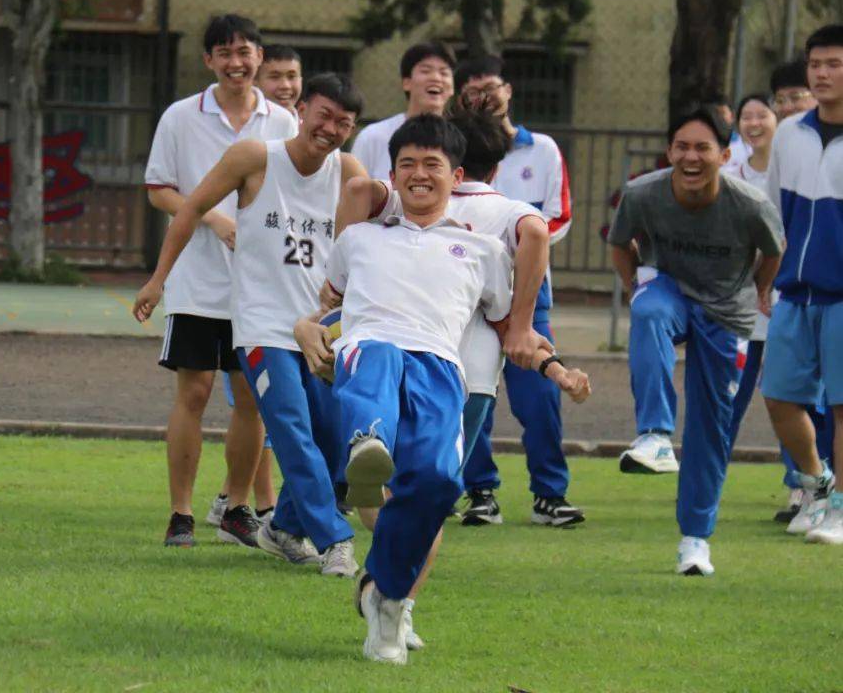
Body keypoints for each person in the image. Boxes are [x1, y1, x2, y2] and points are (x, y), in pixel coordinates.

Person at [301, 114, 585, 663]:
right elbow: (325, 307)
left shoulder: (482, 251)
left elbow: (512, 329)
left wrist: (557, 370)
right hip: (372, 348)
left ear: (456, 177)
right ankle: (367, 444)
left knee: (436, 481)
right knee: (374, 361)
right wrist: (304, 327)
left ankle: (384, 601)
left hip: (440, 365)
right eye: (407, 163)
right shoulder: (360, 238)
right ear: (394, 173)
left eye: (432, 164)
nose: (419, 174)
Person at [135, 73, 368, 575]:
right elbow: (190, 209)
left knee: (331, 436)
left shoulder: (348, 173)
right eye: (323, 116)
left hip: (320, 329)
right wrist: (158, 281)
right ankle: (335, 540)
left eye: (343, 124)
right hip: (262, 326)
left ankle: (284, 526)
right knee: (290, 426)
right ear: (301, 110)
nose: (329, 129)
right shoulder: (254, 158)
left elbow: (362, 245)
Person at [144, 14, 298, 548]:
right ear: (209, 60)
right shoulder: (182, 117)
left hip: (259, 284)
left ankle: (235, 505)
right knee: (196, 389)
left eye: (246, 52)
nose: (237, 62)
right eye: (225, 53)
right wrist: (210, 216)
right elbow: (159, 189)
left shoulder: (283, 122)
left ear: (260, 57)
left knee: (253, 394)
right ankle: (181, 513)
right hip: (196, 276)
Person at [609, 106, 784, 575]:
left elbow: (774, 250)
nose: (691, 157)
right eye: (682, 146)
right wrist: (634, 286)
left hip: (726, 312)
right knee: (648, 309)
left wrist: (761, 289)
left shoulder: (749, 203)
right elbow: (619, 243)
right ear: (669, 152)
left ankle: (695, 540)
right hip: (669, 290)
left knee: (712, 426)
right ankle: (654, 435)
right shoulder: (643, 193)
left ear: (724, 155)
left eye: (703, 148)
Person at [452, 56, 584, 526]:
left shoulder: (541, 148)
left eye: (490, 87)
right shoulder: (454, 144)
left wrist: (516, 243)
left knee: (537, 396)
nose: (483, 97)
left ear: (508, 89)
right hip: (466, 290)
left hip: (527, 287)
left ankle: (550, 492)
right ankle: (479, 490)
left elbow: (559, 215)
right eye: (473, 90)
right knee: (473, 390)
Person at [207, 44, 306, 528]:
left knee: (269, 408)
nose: (286, 86)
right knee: (255, 405)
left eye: (293, 76)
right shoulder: (251, 141)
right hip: (244, 298)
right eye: (276, 77)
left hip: (295, 297)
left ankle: (236, 496)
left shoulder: (305, 137)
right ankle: (257, 503)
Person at [761, 24, 843, 545]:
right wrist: (766, 276)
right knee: (779, 397)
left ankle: (840, 513)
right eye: (816, 64)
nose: (822, 73)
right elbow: (771, 214)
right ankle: (818, 485)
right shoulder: (789, 133)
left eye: (834, 64)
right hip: (794, 292)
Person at [350, 42, 455, 178]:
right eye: (426, 71)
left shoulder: (463, 138)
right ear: (406, 83)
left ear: (452, 87)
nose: (436, 78)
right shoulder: (372, 137)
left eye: (444, 73)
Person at [255, 44, 303, 115]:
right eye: (275, 77)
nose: (285, 86)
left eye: (291, 76)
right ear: (254, 81)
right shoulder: (243, 124)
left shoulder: (307, 125)